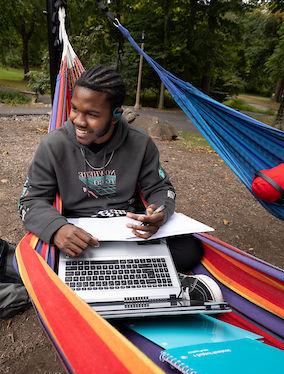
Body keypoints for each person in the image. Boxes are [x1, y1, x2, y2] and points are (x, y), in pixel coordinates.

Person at [18, 65, 203, 272]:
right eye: (75, 109)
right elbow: (30, 201)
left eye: (92, 114)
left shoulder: (140, 144)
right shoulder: (53, 146)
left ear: (116, 115)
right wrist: (58, 229)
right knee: (32, 259)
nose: (79, 120)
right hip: (78, 233)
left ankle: (112, 271)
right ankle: (124, 268)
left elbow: (161, 188)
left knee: (189, 251)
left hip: (128, 230)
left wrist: (159, 211)